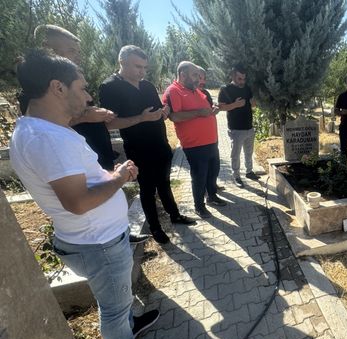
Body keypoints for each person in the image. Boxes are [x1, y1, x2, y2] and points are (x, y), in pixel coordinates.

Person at [11, 49, 170, 339]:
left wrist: (107, 174)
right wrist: (119, 176)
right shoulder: (46, 139)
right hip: (98, 242)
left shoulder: (41, 129)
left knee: (119, 300)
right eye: (82, 88)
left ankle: (130, 324)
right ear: (58, 87)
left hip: (98, 238)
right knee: (113, 308)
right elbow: (79, 201)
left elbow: (75, 182)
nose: (88, 96)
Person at [18, 25, 151, 244]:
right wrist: (86, 117)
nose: (77, 56)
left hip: (91, 159)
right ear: (48, 50)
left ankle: (122, 236)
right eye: (71, 50)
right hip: (96, 239)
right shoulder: (43, 129)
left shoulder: (64, 82)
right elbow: (77, 201)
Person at [99, 45, 196, 244]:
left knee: (164, 184)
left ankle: (175, 215)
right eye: (137, 67)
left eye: (145, 68)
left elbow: (159, 111)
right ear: (122, 62)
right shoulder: (110, 87)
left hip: (160, 145)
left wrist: (165, 111)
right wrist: (141, 119)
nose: (142, 72)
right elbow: (110, 124)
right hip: (138, 149)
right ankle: (155, 228)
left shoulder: (147, 86)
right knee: (147, 190)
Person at [163, 61, 226, 219]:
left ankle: (212, 196)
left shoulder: (196, 90)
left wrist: (213, 111)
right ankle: (199, 206)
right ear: (182, 74)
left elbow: (205, 111)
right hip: (195, 145)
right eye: (194, 75)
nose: (198, 78)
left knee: (213, 171)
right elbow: (175, 116)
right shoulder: (173, 91)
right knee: (199, 176)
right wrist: (199, 112)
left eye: (199, 75)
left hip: (211, 141)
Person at [218, 65, 260, 187]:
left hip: (249, 127)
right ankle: (236, 176)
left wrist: (254, 103)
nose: (242, 81)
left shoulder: (247, 88)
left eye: (244, 79)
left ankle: (249, 171)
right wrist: (235, 105)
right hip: (236, 129)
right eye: (239, 78)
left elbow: (253, 104)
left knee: (249, 152)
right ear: (232, 76)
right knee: (235, 154)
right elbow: (221, 107)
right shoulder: (225, 89)